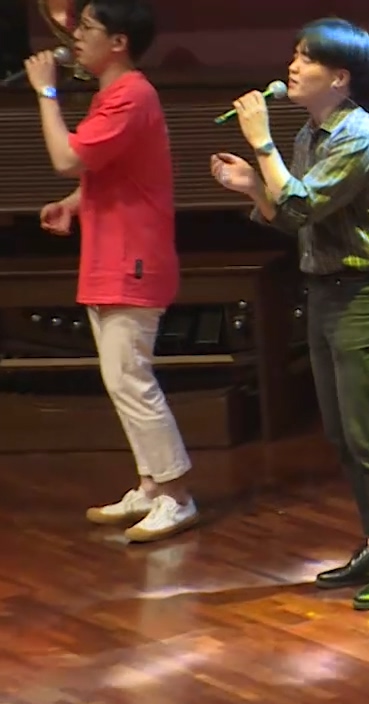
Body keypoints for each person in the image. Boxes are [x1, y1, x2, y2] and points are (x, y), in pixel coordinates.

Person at [209, 17, 369, 612]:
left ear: (340, 77)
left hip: (366, 294)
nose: (292, 66)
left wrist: (262, 145)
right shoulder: (313, 133)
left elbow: (302, 203)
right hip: (328, 292)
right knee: (342, 434)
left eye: (307, 58)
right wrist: (253, 187)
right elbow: (293, 216)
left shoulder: (358, 136)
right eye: (295, 54)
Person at [27, 0, 199, 543]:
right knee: (119, 377)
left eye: (88, 28)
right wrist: (75, 203)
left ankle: (177, 494)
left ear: (119, 42)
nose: (75, 37)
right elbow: (114, 172)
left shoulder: (131, 95)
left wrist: (46, 93)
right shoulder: (114, 95)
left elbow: (67, 158)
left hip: (133, 257)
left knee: (129, 376)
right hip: (110, 254)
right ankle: (151, 485)